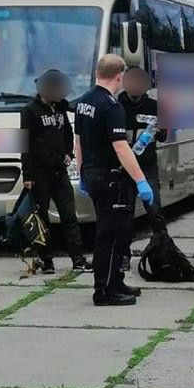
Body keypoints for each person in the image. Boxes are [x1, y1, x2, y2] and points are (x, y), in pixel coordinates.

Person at [75, 53, 156, 305]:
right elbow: (121, 148)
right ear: (120, 76)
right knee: (109, 236)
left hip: (92, 173)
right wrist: (141, 180)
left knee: (117, 233)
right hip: (111, 177)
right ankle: (104, 291)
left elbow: (78, 141)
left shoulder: (84, 102)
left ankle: (116, 281)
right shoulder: (112, 106)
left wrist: (82, 173)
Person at [19, 69, 87, 274]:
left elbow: (68, 130)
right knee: (42, 218)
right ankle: (46, 260)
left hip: (60, 171)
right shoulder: (29, 111)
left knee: (69, 216)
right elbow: (24, 144)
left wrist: (69, 153)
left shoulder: (59, 109)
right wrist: (27, 175)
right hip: (39, 174)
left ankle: (78, 258)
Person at [119, 65, 170, 244]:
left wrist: (158, 131)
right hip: (124, 168)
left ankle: (165, 250)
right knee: (124, 215)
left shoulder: (154, 106)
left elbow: (164, 136)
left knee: (155, 211)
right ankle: (122, 255)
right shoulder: (116, 107)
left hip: (148, 167)